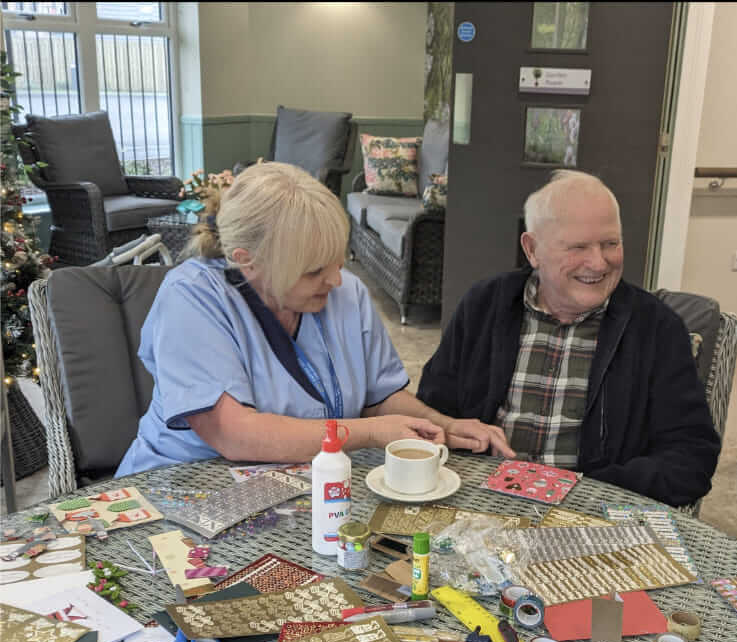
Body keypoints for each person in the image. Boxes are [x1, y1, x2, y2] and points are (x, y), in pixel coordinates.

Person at [116, 162, 512, 477]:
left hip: (300, 489)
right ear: (246, 261)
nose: (335, 280)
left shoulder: (346, 294)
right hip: (184, 488)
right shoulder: (191, 299)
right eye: (312, 270)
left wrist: (440, 423)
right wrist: (368, 434)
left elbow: (380, 399)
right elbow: (235, 435)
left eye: (338, 262)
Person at [417, 170, 721, 507]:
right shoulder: (486, 304)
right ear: (532, 250)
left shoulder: (657, 329)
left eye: (611, 243)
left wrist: (582, 491)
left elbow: (692, 459)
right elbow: (431, 413)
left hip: (593, 516)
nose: (598, 262)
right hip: (481, 503)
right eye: (578, 247)